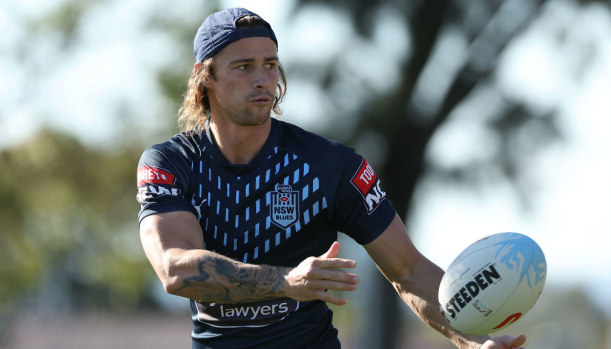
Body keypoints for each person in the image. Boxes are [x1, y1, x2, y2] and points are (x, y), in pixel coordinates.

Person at [136, 7, 527, 349]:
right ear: (205, 77)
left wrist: (473, 340)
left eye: (270, 65)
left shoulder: (330, 164)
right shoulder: (171, 163)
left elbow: (408, 270)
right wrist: (287, 281)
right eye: (243, 67)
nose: (262, 80)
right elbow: (175, 268)